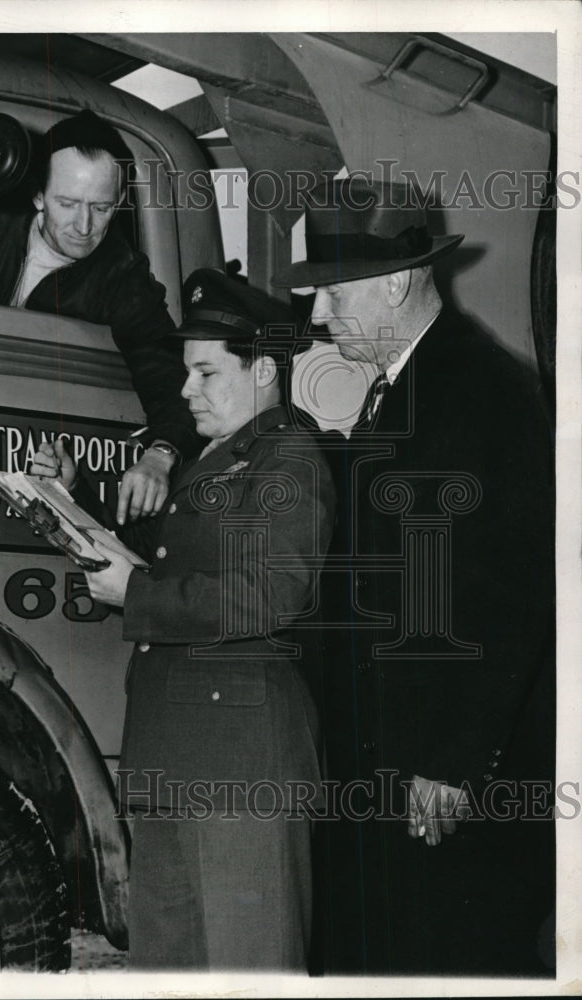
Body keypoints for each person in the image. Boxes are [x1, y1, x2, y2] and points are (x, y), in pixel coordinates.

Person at [273, 177, 555, 976]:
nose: (319, 315)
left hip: (440, 788)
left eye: (331, 293)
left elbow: (514, 593)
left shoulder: (484, 395)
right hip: (387, 771)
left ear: (395, 281)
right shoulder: (409, 388)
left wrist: (453, 763)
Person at [31, 269, 335, 971]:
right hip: (178, 755)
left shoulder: (287, 456)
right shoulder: (219, 457)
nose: (185, 390)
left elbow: (270, 595)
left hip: (239, 765)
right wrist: (70, 501)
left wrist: (134, 594)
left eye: (204, 373)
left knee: (248, 968)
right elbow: (170, 563)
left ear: (263, 370)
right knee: (171, 968)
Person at [0, 109, 201, 522]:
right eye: (67, 203)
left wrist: (161, 455)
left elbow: (169, 377)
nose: (84, 226)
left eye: (101, 208)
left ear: (119, 202)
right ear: (38, 195)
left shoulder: (123, 278)